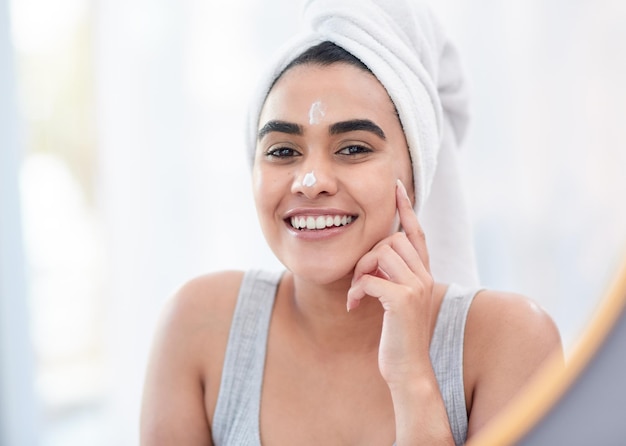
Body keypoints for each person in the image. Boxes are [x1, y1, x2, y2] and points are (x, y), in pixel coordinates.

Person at [140, 0, 563, 444]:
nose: (310, 181)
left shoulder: (510, 343)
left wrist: (412, 379)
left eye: (353, 148)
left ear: (417, 176)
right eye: (282, 151)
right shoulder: (198, 327)